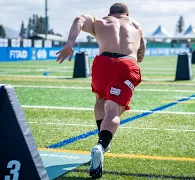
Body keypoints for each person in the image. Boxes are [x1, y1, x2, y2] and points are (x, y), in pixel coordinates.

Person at [56, 3, 145, 179]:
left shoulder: (100, 22)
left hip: (102, 63)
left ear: (110, 13)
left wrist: (70, 43)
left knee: (100, 99)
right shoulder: (136, 24)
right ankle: (101, 145)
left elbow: (79, 19)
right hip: (126, 63)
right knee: (113, 110)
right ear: (127, 13)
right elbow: (141, 53)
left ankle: (102, 137)